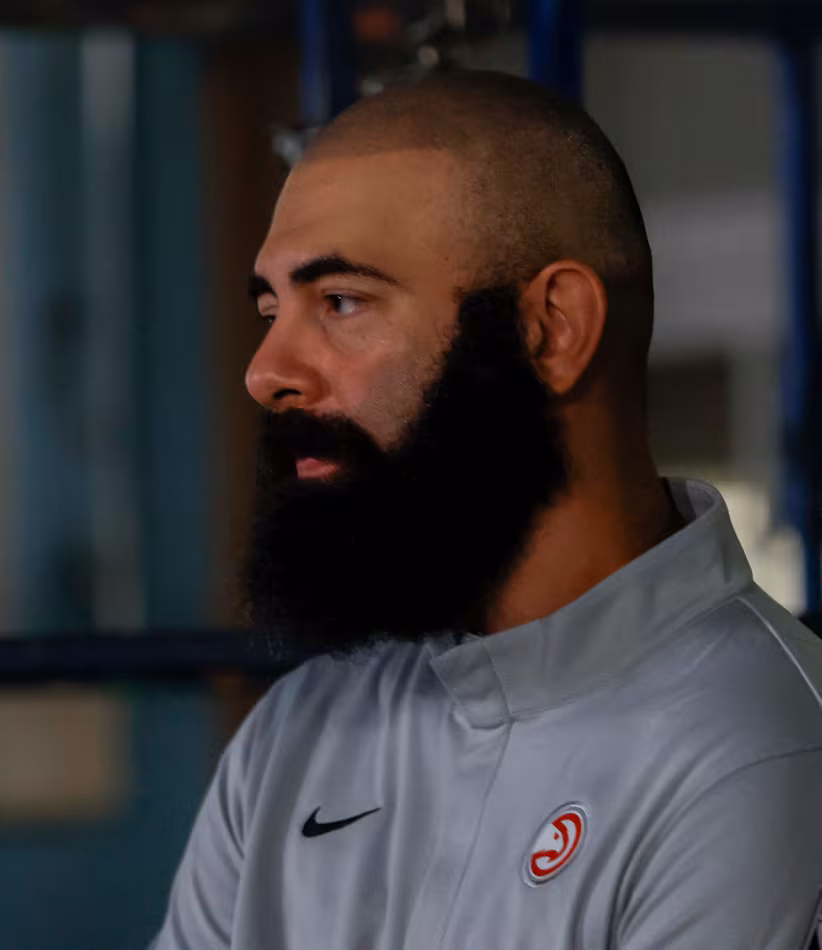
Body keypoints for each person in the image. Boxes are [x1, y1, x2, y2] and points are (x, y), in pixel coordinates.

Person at [150, 71, 822, 949]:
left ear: (551, 327)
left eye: (341, 301)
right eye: (273, 310)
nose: (266, 371)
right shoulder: (294, 735)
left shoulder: (763, 750)